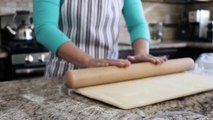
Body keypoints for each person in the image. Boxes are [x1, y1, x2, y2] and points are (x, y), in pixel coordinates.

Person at [33, 0, 167, 77]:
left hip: (108, 75)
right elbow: (45, 29)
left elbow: (137, 24)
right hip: (64, 75)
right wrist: (87, 61)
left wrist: (142, 53)